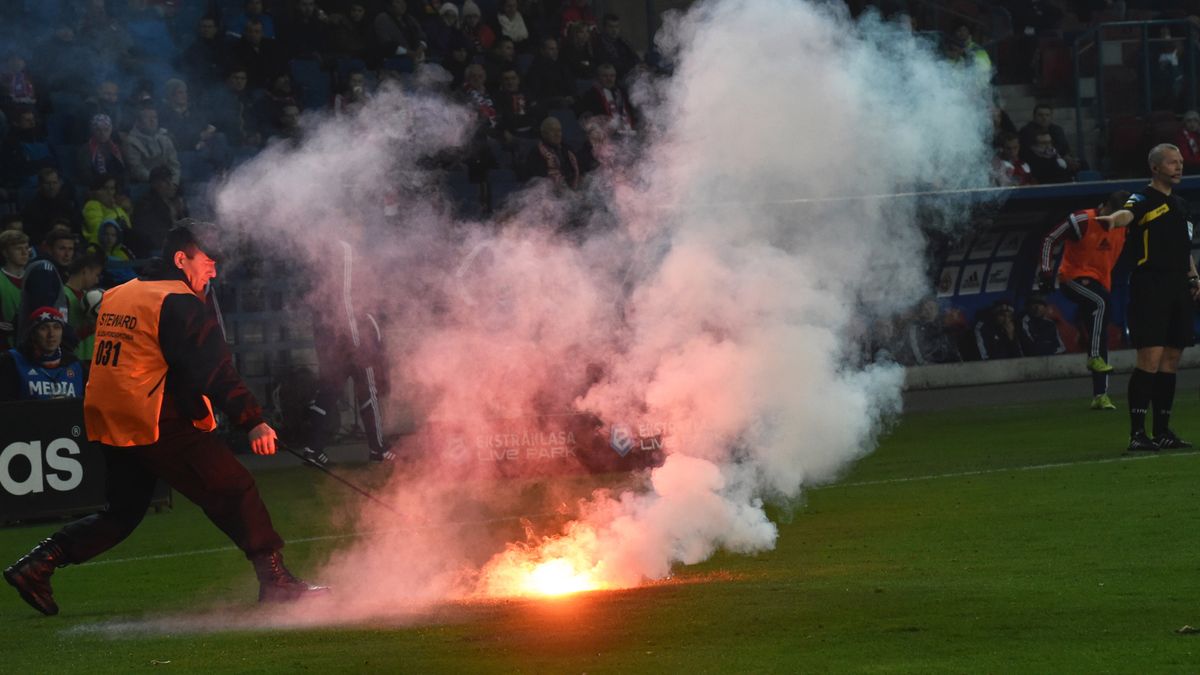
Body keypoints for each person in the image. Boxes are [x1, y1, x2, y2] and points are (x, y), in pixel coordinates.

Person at [3, 222, 327, 616]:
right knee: (234, 487)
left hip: (111, 417)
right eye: (207, 261)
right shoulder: (179, 301)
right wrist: (253, 420)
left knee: (122, 513)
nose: (213, 271)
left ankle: (38, 564)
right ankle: (276, 581)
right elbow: (214, 369)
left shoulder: (123, 293)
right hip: (154, 418)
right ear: (181, 259)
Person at [1095, 144, 1199, 451]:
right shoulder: (1142, 198)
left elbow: (1183, 248)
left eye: (1180, 162)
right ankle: (1137, 433)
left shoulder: (1181, 204)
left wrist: (1194, 277)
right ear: (1155, 168)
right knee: (1150, 359)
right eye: (1172, 163)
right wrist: (1114, 220)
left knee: (1171, 359)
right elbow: (1128, 213)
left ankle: (1163, 430)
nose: (1179, 167)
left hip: (1178, 285)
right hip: (1150, 285)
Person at [300, 217, 396, 466]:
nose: (359, 228)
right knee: (367, 390)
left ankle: (313, 449)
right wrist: (357, 340)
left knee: (328, 393)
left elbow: (317, 301)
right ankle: (377, 449)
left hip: (328, 337)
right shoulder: (343, 250)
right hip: (348, 338)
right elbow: (345, 298)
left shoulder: (317, 255)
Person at [1039, 190, 1130, 410]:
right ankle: (1094, 356)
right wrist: (1046, 271)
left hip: (1100, 282)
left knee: (1100, 331)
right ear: (1106, 206)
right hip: (1072, 278)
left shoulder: (1127, 222)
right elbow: (1050, 239)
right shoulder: (1082, 220)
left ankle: (1100, 395)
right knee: (1102, 303)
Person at [0, 306, 86, 402]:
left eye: (56, 327)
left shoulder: (76, 365)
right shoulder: (11, 362)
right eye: (43, 328)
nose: (51, 334)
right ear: (33, 334)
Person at [62, 253, 104, 361]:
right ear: (85, 271)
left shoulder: (91, 297)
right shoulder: (63, 295)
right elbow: (61, 336)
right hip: (72, 359)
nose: (97, 280)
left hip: (91, 359)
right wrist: (88, 328)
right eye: (96, 275)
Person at [0, 229, 30, 350]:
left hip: (30, 346)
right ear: (6, 253)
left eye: (26, 247)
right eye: (18, 248)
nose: (24, 252)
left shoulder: (34, 277)